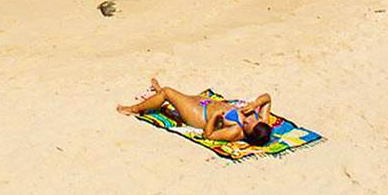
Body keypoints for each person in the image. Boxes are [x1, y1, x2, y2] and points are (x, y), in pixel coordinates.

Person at [116, 78, 273, 145]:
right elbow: (267, 98)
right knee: (177, 97)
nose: (248, 120)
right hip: (207, 103)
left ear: (247, 134)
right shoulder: (261, 122)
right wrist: (256, 104)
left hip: (200, 116)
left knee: (167, 92)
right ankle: (156, 96)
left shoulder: (235, 132)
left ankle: (133, 109)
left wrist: (216, 117)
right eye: (253, 121)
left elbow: (208, 135)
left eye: (248, 125)